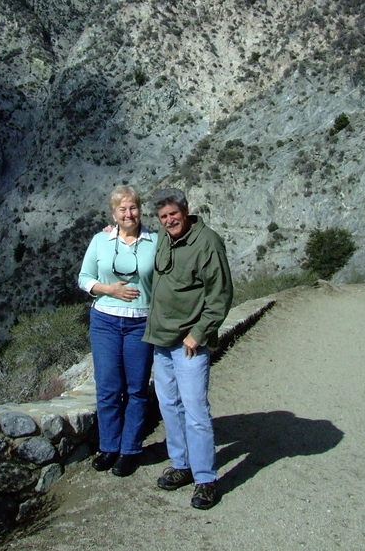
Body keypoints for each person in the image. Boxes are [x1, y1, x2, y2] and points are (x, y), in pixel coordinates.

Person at [143, 187, 233, 510]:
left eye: (173, 215)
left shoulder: (207, 243)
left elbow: (220, 295)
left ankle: (206, 479)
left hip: (188, 344)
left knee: (196, 412)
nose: (169, 221)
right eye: (163, 217)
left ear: (185, 210)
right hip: (161, 341)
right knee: (169, 407)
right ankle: (181, 465)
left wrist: (197, 335)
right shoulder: (164, 238)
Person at [78, 185, 157, 477]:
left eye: (133, 207)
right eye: (122, 209)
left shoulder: (155, 242)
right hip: (105, 322)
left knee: (136, 388)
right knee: (109, 386)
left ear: (140, 210)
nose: (129, 214)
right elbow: (83, 278)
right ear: (113, 213)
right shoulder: (100, 240)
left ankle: (130, 450)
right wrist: (107, 289)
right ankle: (109, 447)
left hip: (140, 321)